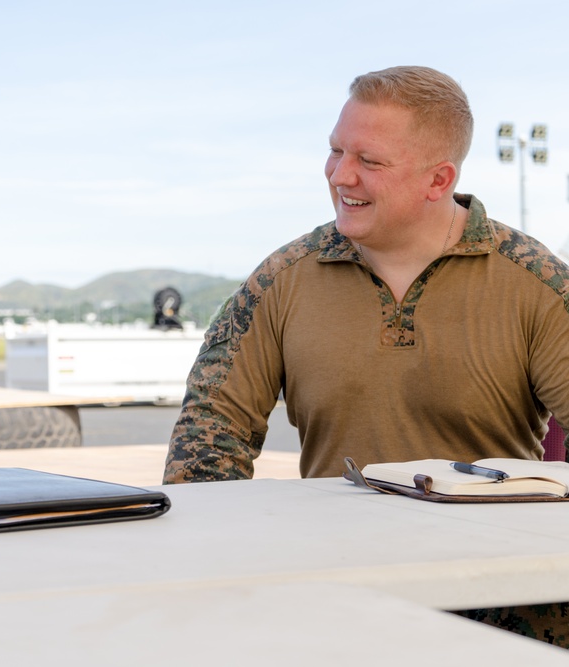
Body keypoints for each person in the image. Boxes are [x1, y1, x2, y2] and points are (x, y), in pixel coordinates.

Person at [163, 66, 569, 646]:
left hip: (505, 609)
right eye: (335, 151)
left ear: (438, 180)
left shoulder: (536, 283)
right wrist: (218, 571)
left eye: (369, 161)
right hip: (336, 599)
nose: (339, 175)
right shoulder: (283, 279)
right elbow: (210, 431)